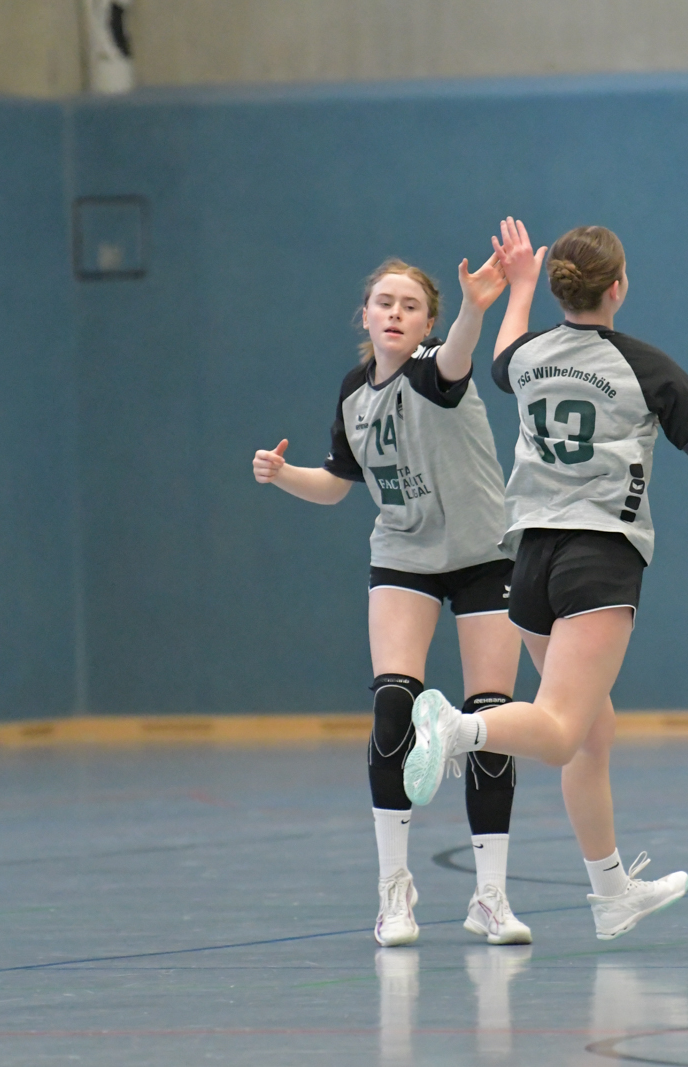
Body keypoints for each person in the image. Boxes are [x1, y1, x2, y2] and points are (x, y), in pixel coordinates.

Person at [403, 219, 688, 940]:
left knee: (592, 732)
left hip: (529, 558)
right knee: (559, 731)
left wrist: (519, 285)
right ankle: (458, 728)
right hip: (598, 556)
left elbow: (504, 350)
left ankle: (612, 893)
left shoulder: (529, 358)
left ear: (561, 289)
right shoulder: (645, 365)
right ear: (618, 287)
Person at [253, 254, 532, 948]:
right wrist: (284, 474)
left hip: (482, 554)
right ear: (366, 314)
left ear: (427, 321)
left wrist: (475, 307)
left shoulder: (435, 368)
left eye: (410, 305)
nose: (396, 313)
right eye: (385, 302)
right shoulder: (355, 392)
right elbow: (336, 483)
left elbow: (460, 350)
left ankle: (490, 896)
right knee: (392, 705)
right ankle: (394, 891)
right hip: (404, 555)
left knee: (489, 718)